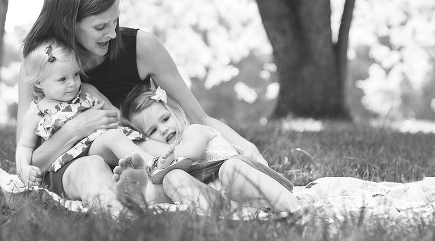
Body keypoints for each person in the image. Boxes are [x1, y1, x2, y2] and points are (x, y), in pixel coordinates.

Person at [17, 0, 268, 215]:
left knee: (185, 167)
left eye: (115, 21)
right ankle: (119, 216)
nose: (112, 33)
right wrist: (77, 128)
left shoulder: (141, 48)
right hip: (72, 167)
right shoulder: (42, 64)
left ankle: (207, 196)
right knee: (93, 168)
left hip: (141, 161)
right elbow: (28, 161)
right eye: (100, 26)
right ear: (68, 24)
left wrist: (246, 148)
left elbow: (199, 118)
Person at [15, 38, 193, 192]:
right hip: (73, 157)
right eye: (62, 79)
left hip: (102, 144)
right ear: (39, 83)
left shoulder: (86, 91)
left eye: (76, 74)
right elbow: (24, 147)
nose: (72, 83)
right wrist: (23, 168)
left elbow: (116, 115)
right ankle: (154, 165)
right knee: (114, 137)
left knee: (132, 139)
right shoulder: (37, 112)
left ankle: (177, 158)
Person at [121, 82, 303, 215]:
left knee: (229, 169)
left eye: (165, 119)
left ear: (176, 111)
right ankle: (216, 217)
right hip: (224, 199)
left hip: (249, 179)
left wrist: (167, 158)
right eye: (153, 130)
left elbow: (192, 152)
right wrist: (160, 169)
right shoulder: (172, 161)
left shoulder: (193, 131)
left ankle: (294, 209)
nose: (163, 129)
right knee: (172, 178)